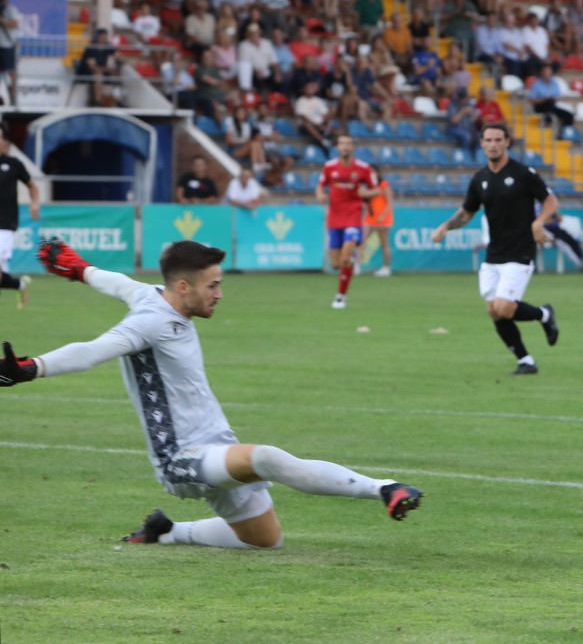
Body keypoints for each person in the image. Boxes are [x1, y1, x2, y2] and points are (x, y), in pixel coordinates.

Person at [0, 238, 422, 550]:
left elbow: (117, 283)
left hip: (216, 447)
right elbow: (92, 352)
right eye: (212, 285)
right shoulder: (149, 322)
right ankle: (384, 488)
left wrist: (80, 269)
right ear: (183, 287)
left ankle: (167, 533)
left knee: (267, 541)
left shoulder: (152, 294)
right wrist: (31, 368)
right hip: (180, 459)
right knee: (267, 458)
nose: (219, 293)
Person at [431, 123, 560, 375]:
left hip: (520, 252)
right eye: (488, 140)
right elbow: (467, 211)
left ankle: (544, 314)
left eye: (498, 139)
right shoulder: (480, 179)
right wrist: (445, 226)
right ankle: (526, 361)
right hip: (494, 254)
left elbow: (550, 200)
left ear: (507, 142)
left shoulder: (523, 173)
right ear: (481, 143)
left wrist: (538, 222)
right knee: (494, 311)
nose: (493, 144)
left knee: (503, 306)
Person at [316, 135, 377, 310]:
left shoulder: (364, 168)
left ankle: (340, 296)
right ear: (337, 147)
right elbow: (320, 185)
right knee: (336, 264)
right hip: (334, 217)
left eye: (349, 143)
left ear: (353, 148)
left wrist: (366, 194)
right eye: (342, 143)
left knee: (345, 256)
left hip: (353, 215)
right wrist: (320, 194)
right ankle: (350, 262)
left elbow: (377, 190)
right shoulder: (329, 167)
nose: (345, 146)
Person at [0, 126, 38, 308]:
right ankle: (20, 284)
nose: (3, 141)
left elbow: (32, 185)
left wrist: (34, 203)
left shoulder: (14, 164)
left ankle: (19, 285)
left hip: (5, 224)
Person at [361, 164, 394, 278]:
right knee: (361, 241)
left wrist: (383, 215)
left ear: (378, 173)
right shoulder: (367, 186)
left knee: (384, 244)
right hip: (370, 218)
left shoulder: (383, 185)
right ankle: (356, 265)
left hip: (382, 219)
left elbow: (389, 202)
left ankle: (386, 267)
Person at [0, 0, 21, 105]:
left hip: (8, 46)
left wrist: (2, 20)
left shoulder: (11, 10)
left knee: (11, 73)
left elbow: (15, 24)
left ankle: (13, 99)